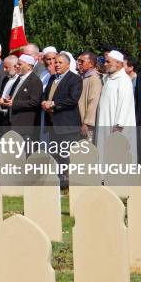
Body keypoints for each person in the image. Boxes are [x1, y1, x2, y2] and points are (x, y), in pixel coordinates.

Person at [42, 53, 83, 185]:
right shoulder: (52, 78)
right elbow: (46, 95)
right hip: (53, 124)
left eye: (60, 62)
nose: (57, 65)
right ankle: (60, 181)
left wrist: (53, 104)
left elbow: (72, 99)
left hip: (68, 125)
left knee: (67, 156)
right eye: (56, 62)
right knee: (56, 154)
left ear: (68, 64)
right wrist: (44, 102)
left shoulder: (75, 79)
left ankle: (70, 183)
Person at [96, 50, 136, 160]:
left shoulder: (124, 81)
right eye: (105, 61)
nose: (105, 64)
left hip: (117, 128)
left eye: (108, 62)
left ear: (118, 63)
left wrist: (118, 126)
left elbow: (124, 105)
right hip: (105, 124)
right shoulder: (109, 79)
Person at [7, 54, 44, 131]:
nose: (16, 66)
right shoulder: (20, 78)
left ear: (29, 66)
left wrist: (14, 103)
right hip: (14, 123)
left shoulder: (35, 81)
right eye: (17, 64)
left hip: (25, 126)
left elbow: (34, 102)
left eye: (19, 64)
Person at [77, 51, 102, 143]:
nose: (79, 63)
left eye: (82, 61)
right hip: (80, 121)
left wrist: (87, 123)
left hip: (87, 125)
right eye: (79, 61)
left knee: (88, 149)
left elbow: (93, 101)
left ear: (91, 64)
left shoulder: (95, 78)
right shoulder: (84, 77)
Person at [0, 55, 19, 126]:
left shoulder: (20, 80)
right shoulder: (6, 79)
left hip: (12, 118)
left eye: (6, 67)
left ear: (15, 67)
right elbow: (2, 94)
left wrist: (4, 102)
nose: (4, 70)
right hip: (1, 117)